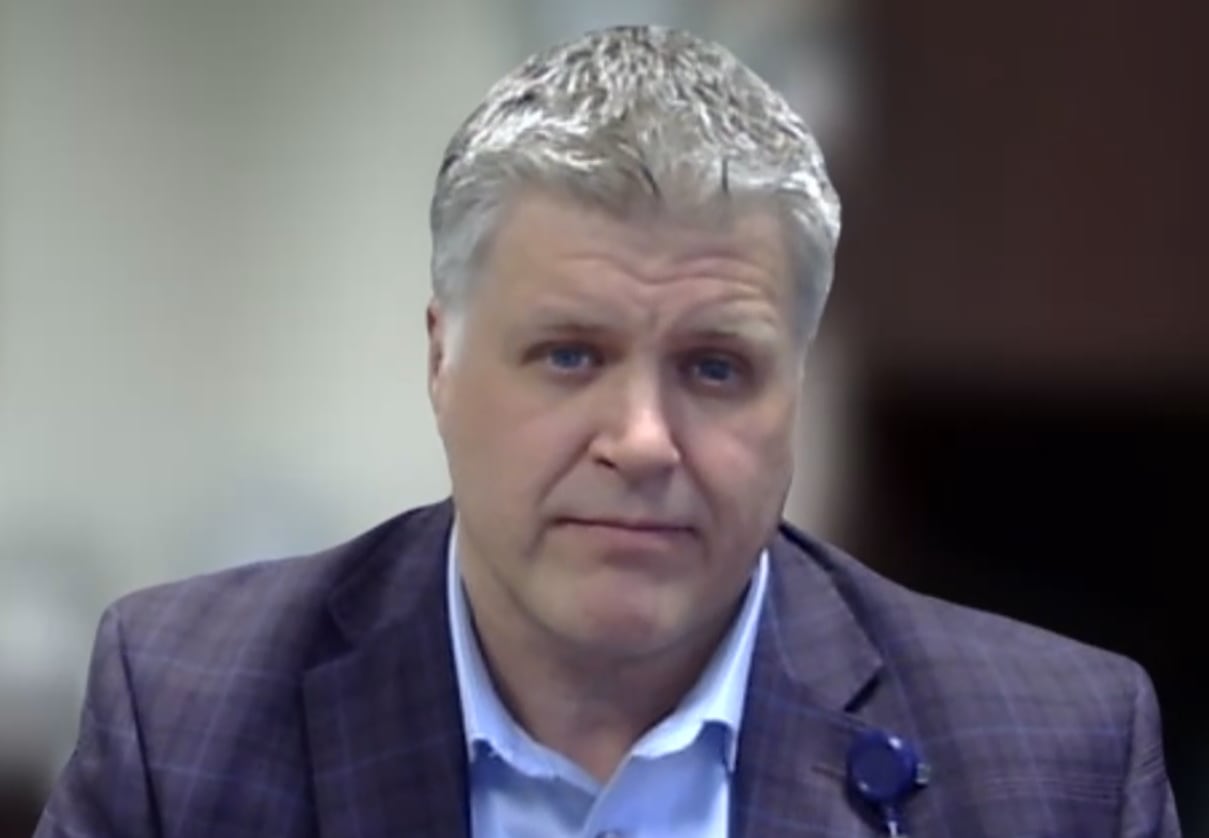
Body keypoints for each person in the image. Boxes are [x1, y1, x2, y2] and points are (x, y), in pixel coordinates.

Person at [34, 23, 1180, 837]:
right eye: (571, 355)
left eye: (716, 367)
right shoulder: (187, 710)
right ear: (440, 359)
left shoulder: (1055, 761)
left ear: (799, 390)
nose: (641, 439)